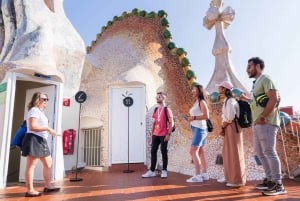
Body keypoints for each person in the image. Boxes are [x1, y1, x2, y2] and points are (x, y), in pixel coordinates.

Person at [247, 57, 287, 196]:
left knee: (269, 152)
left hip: (267, 122)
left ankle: (278, 184)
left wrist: (263, 116)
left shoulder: (265, 79)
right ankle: (270, 180)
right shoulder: (255, 84)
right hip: (257, 123)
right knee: (260, 153)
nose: (247, 69)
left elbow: (274, 98)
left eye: (250, 66)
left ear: (258, 66)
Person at [21, 92, 60, 197]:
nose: (46, 101)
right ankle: (30, 190)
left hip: (42, 140)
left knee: (48, 163)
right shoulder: (34, 110)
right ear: (37, 100)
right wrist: (48, 128)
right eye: (44, 99)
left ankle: (48, 186)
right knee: (31, 165)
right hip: (33, 139)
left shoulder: (40, 112)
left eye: (47, 99)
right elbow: (33, 126)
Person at [217, 81, 246, 187]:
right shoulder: (227, 100)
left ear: (224, 89)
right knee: (227, 152)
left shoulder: (230, 101)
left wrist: (222, 127)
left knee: (234, 153)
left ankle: (237, 180)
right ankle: (229, 176)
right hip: (229, 127)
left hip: (232, 127)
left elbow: (230, 118)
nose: (218, 89)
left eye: (220, 87)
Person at [142, 91, 174, 179]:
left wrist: (169, 134)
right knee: (153, 152)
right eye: (156, 96)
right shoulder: (156, 109)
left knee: (164, 152)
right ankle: (152, 171)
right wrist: (152, 134)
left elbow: (172, 123)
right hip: (155, 134)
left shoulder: (167, 109)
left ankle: (164, 170)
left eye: (159, 96)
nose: (157, 98)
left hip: (164, 134)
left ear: (163, 98)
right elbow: (154, 122)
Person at [185, 84, 209, 183]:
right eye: (192, 90)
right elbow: (197, 114)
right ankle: (204, 174)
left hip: (200, 129)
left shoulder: (202, 102)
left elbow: (206, 116)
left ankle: (197, 176)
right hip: (197, 128)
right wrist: (190, 118)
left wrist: (194, 118)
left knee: (193, 151)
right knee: (200, 151)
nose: (192, 91)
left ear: (199, 91)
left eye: (194, 90)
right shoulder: (196, 102)